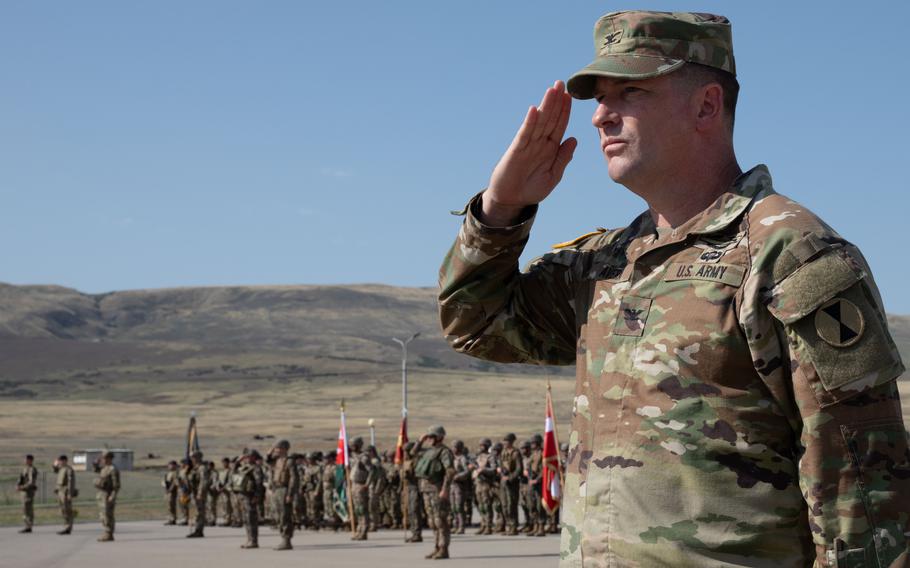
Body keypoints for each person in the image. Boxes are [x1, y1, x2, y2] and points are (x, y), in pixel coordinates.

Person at [438, 10, 910, 567]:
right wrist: (501, 209)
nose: (600, 118)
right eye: (598, 99)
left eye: (630, 92)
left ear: (707, 105)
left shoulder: (788, 254)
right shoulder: (607, 262)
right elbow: (476, 326)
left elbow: (862, 491)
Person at [414, 425, 456, 560]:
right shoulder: (428, 451)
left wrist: (445, 489)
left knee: (440, 520)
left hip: (437, 489)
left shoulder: (444, 452)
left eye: (432, 436)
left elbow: (450, 471)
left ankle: (444, 549)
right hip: (426, 489)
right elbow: (413, 453)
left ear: (440, 437)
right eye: (429, 436)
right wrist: (420, 441)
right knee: (432, 521)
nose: (430, 439)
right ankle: (437, 547)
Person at [268, 440, 299, 550]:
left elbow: (293, 479)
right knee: (278, 515)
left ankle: (286, 540)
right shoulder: (277, 461)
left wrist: (290, 494)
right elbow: (267, 460)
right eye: (275, 448)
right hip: (277, 489)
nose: (276, 450)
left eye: (278, 448)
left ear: (284, 449)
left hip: (285, 490)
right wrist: (270, 450)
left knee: (285, 516)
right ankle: (283, 538)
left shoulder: (290, 461)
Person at [233, 450, 263, 549]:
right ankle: (249, 539)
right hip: (243, 495)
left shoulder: (256, 468)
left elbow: (259, 483)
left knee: (251, 518)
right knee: (246, 519)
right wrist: (237, 462)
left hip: (250, 496)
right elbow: (233, 474)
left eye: (249, 456)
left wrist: (257, 495)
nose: (246, 458)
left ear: (254, 457)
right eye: (246, 456)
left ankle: (254, 541)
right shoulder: (244, 467)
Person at [497, 433, 522, 536]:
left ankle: (513, 527)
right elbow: (501, 465)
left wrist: (510, 477)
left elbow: (519, 469)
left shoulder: (515, 453)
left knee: (512, 505)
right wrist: (501, 473)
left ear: (511, 442)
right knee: (504, 505)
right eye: (504, 441)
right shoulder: (503, 452)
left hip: (512, 483)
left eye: (506, 441)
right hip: (503, 482)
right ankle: (508, 526)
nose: (504, 443)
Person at [348, 437, 373, 541]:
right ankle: (358, 529)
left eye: (353, 444)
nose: (351, 446)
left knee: (362, 509)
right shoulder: (352, 457)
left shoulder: (364, 458)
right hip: (353, 485)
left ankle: (364, 531)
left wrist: (367, 484)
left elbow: (372, 471)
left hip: (361, 485)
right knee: (357, 510)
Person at [94, 451, 120, 542]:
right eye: (102, 458)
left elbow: (116, 485)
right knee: (102, 514)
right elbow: (96, 470)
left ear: (109, 458)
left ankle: (108, 533)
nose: (103, 459)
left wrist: (112, 495)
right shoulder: (104, 468)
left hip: (107, 494)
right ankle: (107, 532)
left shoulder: (113, 469)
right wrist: (96, 464)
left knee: (108, 514)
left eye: (104, 458)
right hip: (101, 494)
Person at [471, 438, 495, 535]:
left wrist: (483, 470)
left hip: (486, 484)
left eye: (482, 445)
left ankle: (488, 526)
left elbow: (493, 469)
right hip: (478, 484)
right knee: (480, 506)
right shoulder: (478, 457)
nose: (480, 447)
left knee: (486, 505)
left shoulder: (490, 457)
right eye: (480, 445)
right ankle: (483, 524)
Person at [401, 440, 424, 543]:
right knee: (409, 510)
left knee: (414, 510)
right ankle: (413, 531)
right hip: (407, 488)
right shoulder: (405, 461)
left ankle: (417, 533)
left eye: (407, 450)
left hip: (415, 487)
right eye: (404, 451)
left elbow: (419, 474)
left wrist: (410, 475)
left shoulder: (417, 460)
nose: (405, 453)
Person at [186, 451, 210, 538]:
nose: (192, 459)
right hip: (194, 493)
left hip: (199, 493)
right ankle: (197, 529)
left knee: (199, 512)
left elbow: (203, 481)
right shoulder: (194, 468)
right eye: (192, 457)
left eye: (193, 457)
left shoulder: (202, 468)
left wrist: (200, 493)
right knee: (196, 512)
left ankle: (198, 530)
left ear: (198, 457)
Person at [450, 440, 471, 535]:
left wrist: (458, 476)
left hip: (459, 485)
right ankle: (455, 525)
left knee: (459, 506)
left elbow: (467, 471)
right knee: (453, 507)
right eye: (452, 447)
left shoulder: (462, 458)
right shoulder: (451, 458)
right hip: (451, 485)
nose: (453, 449)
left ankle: (461, 527)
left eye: (455, 447)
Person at [54, 455, 77, 535]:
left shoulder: (68, 469)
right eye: (59, 461)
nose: (59, 462)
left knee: (67, 510)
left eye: (60, 460)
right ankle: (66, 525)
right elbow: (55, 470)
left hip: (65, 492)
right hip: (60, 492)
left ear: (65, 461)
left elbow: (71, 482)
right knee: (63, 510)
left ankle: (68, 527)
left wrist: (70, 494)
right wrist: (54, 465)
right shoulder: (61, 469)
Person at [16, 454, 38, 534]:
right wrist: (18, 485)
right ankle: (26, 525)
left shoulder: (32, 469)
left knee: (28, 509)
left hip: (28, 492)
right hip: (24, 492)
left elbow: (31, 482)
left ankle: (29, 526)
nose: (25, 461)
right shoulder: (25, 469)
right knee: (24, 509)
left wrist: (22, 487)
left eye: (26, 459)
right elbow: (21, 478)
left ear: (30, 460)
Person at [162, 460, 179, 525]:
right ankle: (170, 518)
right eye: (169, 465)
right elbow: (164, 481)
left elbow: (174, 483)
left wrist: (170, 490)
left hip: (172, 492)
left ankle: (173, 519)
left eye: (171, 465)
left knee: (172, 505)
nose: (169, 466)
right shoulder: (168, 473)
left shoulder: (175, 473)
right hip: (167, 491)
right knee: (168, 506)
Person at [176, 458, 192, 526]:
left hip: (185, 490)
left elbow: (188, 481)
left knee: (185, 505)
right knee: (181, 505)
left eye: (182, 463)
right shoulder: (180, 471)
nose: (181, 464)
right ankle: (183, 517)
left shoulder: (187, 471)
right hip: (180, 490)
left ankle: (186, 519)